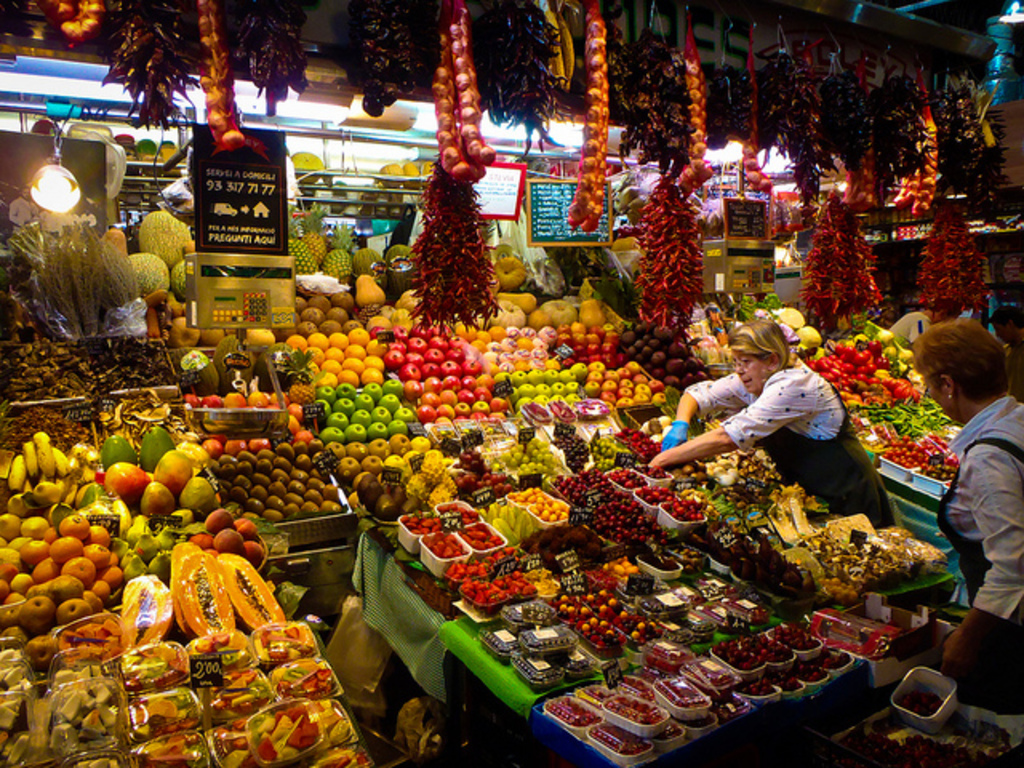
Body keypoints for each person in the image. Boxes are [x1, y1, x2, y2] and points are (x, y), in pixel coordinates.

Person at [652, 319, 892, 525]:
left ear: (772, 361)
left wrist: (660, 461)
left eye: (745, 362)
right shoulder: (755, 377)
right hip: (811, 493)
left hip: (848, 494)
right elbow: (696, 393)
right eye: (735, 362)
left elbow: (728, 437)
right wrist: (680, 424)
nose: (739, 371)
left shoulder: (795, 385)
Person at [913, 319, 1024, 714]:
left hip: (1007, 625)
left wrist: (969, 636)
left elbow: (1013, 566)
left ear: (948, 384)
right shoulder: (1016, 418)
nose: (929, 394)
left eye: (929, 384)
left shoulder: (989, 457)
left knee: (999, 711)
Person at [989, 305, 1024, 403]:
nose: (997, 334)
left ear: (1010, 324)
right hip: (1012, 411)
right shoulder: (1005, 351)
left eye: (998, 329)